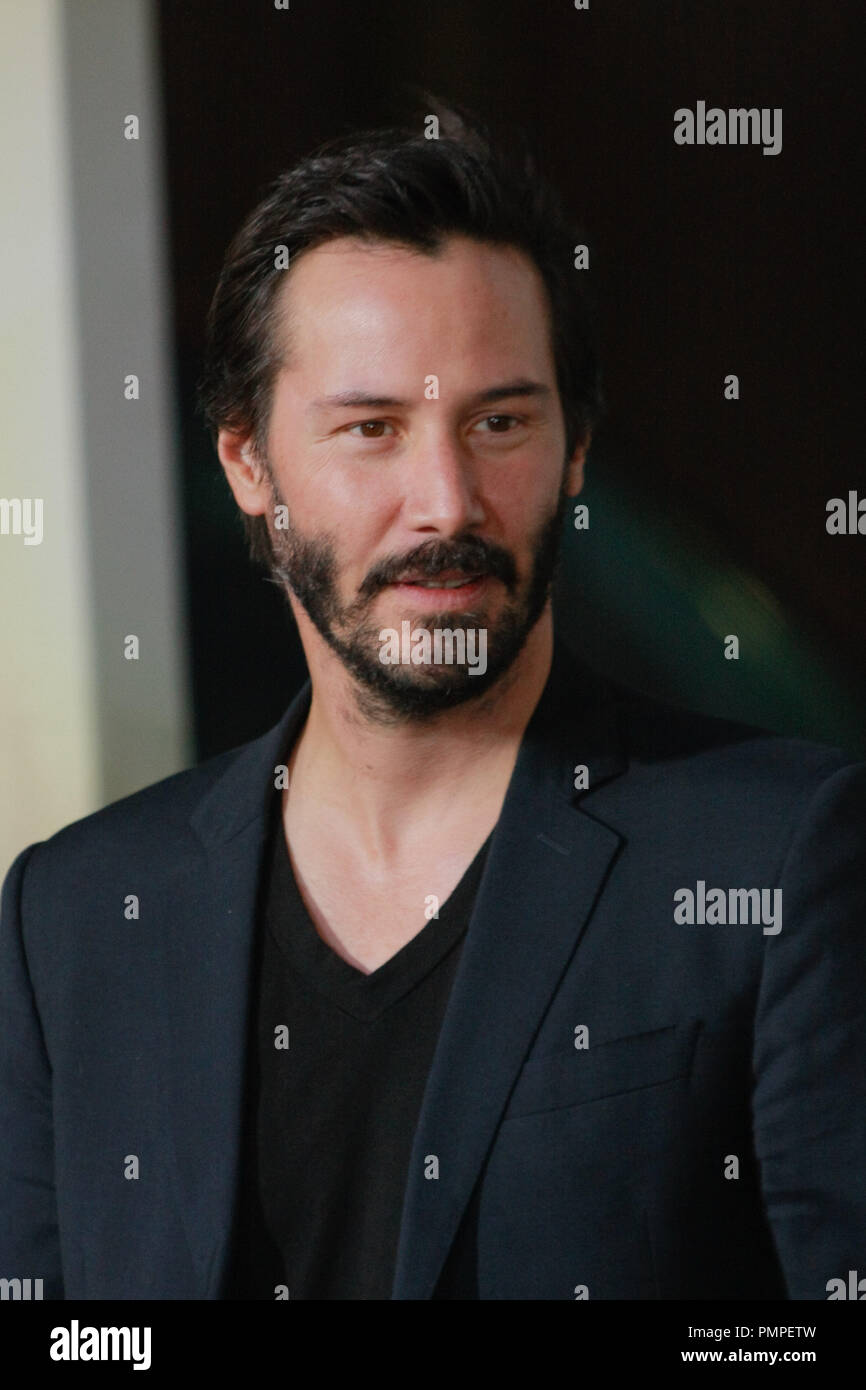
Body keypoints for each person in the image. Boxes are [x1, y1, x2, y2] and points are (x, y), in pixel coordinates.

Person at [1, 108, 864, 1302]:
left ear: (573, 450)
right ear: (250, 464)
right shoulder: (77, 913)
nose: (446, 502)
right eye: (371, 430)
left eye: (498, 422)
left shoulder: (780, 852)